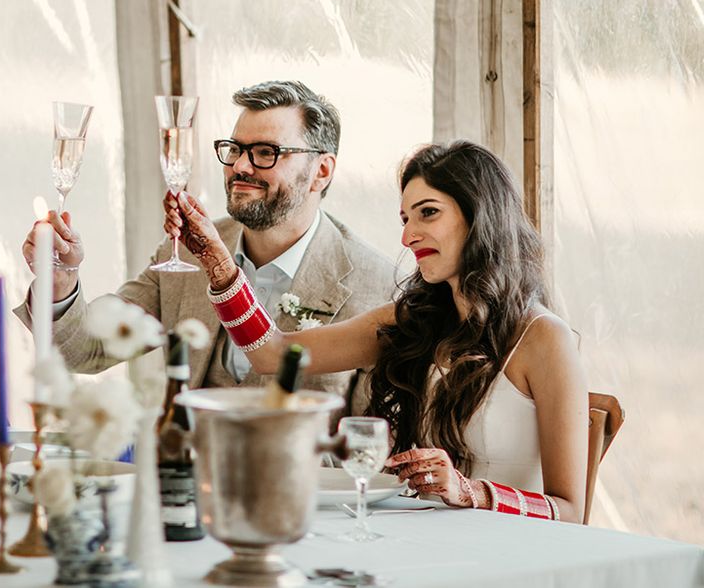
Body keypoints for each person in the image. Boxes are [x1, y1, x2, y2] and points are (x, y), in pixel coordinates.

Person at [163, 140, 589, 523]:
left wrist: (470, 492)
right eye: (405, 218)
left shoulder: (544, 338)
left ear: (480, 215)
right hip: (424, 544)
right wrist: (219, 264)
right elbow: (272, 354)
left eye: (428, 213)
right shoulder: (409, 321)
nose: (407, 236)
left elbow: (570, 511)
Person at [16, 81, 394, 409]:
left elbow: (365, 443)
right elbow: (84, 351)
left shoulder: (376, 286)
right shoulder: (183, 255)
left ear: (321, 171)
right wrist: (62, 279)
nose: (241, 167)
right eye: (235, 149)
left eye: (266, 152)